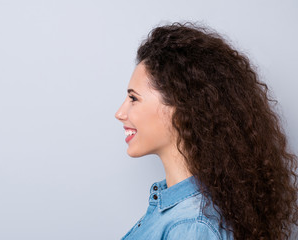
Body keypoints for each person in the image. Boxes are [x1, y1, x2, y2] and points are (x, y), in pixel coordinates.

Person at [115, 22, 298, 240]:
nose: (120, 113)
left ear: (181, 107)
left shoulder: (191, 227)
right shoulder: (178, 209)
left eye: (134, 98)